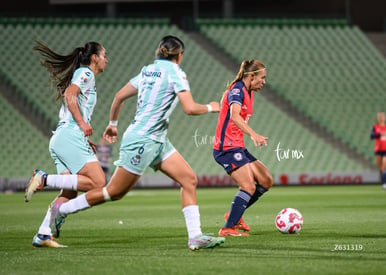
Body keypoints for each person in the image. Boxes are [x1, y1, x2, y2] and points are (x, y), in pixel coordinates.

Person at [43, 35, 225, 250]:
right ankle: (62, 210)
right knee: (113, 192)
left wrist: (113, 123)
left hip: (157, 139)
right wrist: (213, 107)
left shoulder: (148, 70)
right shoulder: (176, 72)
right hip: (143, 140)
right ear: (180, 55)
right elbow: (190, 108)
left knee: (189, 179)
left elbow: (119, 96)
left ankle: (195, 236)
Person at [25, 40, 108, 247]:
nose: (107, 60)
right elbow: (69, 94)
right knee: (98, 184)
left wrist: (84, 137)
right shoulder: (86, 73)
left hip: (62, 138)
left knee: (70, 192)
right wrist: (81, 124)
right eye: (104, 55)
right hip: (70, 135)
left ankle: (43, 233)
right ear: (95, 58)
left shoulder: (85, 76)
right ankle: (43, 178)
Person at [213, 59, 274, 237]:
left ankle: (235, 216)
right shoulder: (238, 90)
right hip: (226, 148)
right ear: (251, 76)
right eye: (262, 78)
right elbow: (235, 116)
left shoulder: (248, 91)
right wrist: (254, 135)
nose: (264, 82)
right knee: (248, 186)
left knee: (266, 180)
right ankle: (227, 228)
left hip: (237, 147)